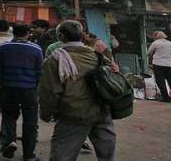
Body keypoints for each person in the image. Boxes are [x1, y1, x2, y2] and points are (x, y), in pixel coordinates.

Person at [39, 20, 116, 161]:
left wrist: (46, 113)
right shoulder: (97, 55)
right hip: (101, 110)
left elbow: (49, 92)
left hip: (73, 114)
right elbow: (113, 76)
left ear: (60, 36)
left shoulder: (54, 60)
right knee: (107, 155)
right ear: (81, 36)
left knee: (62, 155)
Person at [0, 24, 43, 160]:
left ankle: (9, 142)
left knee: (9, 116)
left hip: (8, 88)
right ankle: (28, 154)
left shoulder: (3, 47)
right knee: (30, 120)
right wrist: (36, 86)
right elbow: (40, 70)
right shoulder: (36, 48)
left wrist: (1, 83)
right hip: (29, 89)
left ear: (13, 33)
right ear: (28, 33)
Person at [147, 30, 171, 103]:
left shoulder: (155, 43)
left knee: (161, 82)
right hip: (169, 65)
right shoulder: (170, 44)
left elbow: (149, 52)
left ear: (156, 37)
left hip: (158, 65)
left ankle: (165, 98)